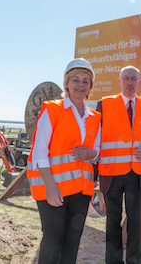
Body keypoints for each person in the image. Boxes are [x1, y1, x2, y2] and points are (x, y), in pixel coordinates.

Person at [27, 58, 101, 264]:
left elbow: (97, 150)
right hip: (53, 189)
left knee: (72, 242)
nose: (80, 84)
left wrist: (91, 154)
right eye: (75, 79)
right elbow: (40, 151)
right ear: (66, 83)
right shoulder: (52, 109)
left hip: (81, 190)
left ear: (90, 87)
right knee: (52, 240)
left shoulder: (94, 117)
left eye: (86, 81)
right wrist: (50, 186)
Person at [96, 65, 141, 264]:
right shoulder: (104, 104)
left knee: (135, 224)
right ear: (120, 81)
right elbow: (95, 140)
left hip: (137, 175)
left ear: (139, 82)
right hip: (111, 175)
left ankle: (136, 261)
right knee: (112, 223)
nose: (130, 83)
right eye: (126, 78)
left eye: (134, 79)